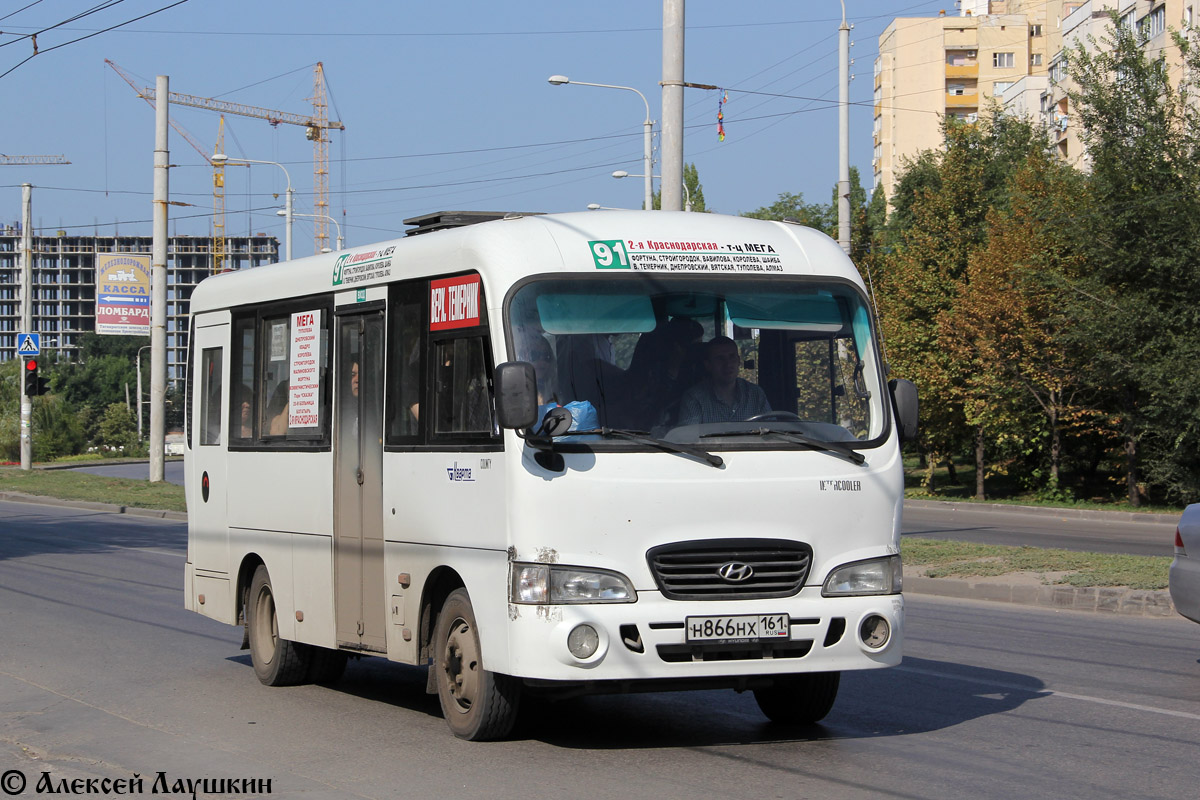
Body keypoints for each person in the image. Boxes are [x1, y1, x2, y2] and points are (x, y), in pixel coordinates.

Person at [676, 336, 770, 426]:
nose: (728, 364)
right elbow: (689, 439)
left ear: (738, 361)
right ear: (708, 365)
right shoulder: (694, 398)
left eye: (732, 357)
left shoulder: (756, 394)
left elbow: (772, 433)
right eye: (720, 358)